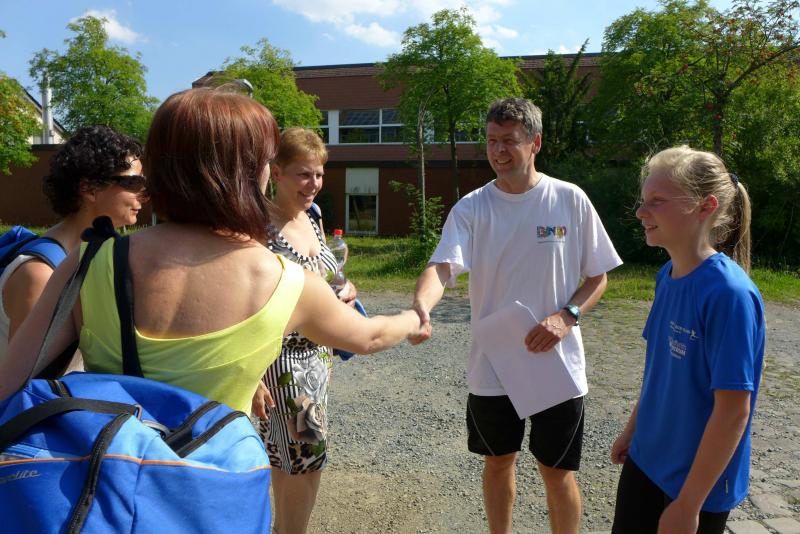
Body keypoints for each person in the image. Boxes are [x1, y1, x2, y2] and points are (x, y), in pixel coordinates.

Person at [0, 89, 426, 426]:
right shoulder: (287, 281)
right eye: (265, 161)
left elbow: (11, 386)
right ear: (248, 173)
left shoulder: (91, 260)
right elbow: (368, 338)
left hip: (111, 485)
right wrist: (413, 318)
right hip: (213, 489)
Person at [413, 97, 622, 534]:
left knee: (557, 471)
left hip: (556, 364)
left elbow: (598, 276)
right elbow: (442, 267)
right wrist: (422, 306)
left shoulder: (569, 199)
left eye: (509, 140)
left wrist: (566, 316)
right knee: (497, 461)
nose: (498, 150)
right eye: (492, 140)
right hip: (493, 365)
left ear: (535, 143)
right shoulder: (472, 208)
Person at [610, 146, 765, 533]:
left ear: (705, 206)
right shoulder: (666, 276)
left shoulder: (729, 294)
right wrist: (633, 430)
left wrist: (689, 504)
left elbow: (733, 411)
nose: (641, 212)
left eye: (657, 201)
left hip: (696, 484)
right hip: (647, 458)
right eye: (643, 201)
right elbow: (659, 372)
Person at [251, 127, 356, 534]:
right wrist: (253, 376)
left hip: (318, 359)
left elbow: (326, 277)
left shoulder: (313, 217)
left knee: (298, 459)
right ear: (276, 172)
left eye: (319, 174)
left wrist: (345, 291)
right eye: (303, 174)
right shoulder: (257, 226)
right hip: (283, 364)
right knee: (303, 459)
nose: (313, 184)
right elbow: (244, 303)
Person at [0, 125, 146, 362]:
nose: (143, 193)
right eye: (133, 183)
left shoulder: (94, 255)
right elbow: (27, 378)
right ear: (89, 189)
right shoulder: (40, 273)